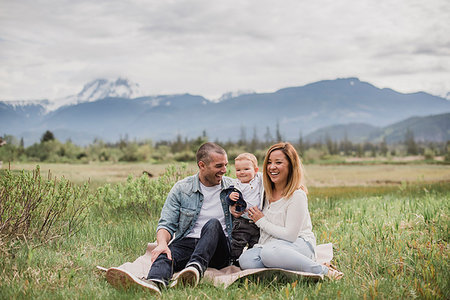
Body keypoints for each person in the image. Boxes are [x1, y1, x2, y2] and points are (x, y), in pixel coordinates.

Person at [107, 142, 234, 295]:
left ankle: (194, 269)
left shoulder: (233, 187)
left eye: (226, 165)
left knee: (212, 224)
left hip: (218, 249)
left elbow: (256, 187)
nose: (224, 170)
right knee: (164, 253)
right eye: (219, 166)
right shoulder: (182, 188)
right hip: (188, 243)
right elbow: (167, 223)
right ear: (202, 165)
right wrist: (161, 244)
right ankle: (154, 284)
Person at [236, 142, 343, 280]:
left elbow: (290, 235)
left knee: (269, 253)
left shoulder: (297, 195)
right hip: (269, 247)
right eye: (269, 162)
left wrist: (261, 221)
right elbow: (241, 182)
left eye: (278, 162)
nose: (272, 167)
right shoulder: (264, 189)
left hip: (298, 244)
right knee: (246, 260)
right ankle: (287, 271)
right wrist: (235, 207)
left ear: (291, 165)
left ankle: (323, 270)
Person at [224, 153, 264, 265]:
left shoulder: (259, 179)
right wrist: (231, 198)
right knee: (238, 241)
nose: (242, 172)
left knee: (255, 242)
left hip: (257, 220)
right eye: (238, 170)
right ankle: (233, 259)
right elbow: (229, 198)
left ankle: (250, 259)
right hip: (242, 221)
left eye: (246, 169)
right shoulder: (236, 184)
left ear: (255, 170)